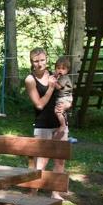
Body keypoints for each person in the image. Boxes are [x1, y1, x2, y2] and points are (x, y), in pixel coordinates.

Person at [23, 48, 66, 195]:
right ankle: (33, 192)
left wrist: (67, 104)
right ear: (31, 62)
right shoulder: (30, 79)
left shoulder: (54, 74)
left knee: (60, 160)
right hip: (43, 124)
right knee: (41, 161)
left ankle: (55, 193)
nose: (40, 64)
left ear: (47, 60)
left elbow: (65, 94)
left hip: (60, 123)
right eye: (36, 61)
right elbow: (39, 105)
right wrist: (50, 88)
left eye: (42, 60)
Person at [51, 57, 74, 140]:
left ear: (67, 70)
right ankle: (62, 125)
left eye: (63, 69)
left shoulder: (64, 78)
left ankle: (62, 125)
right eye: (58, 68)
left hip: (64, 98)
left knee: (58, 111)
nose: (60, 70)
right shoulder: (61, 77)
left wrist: (52, 81)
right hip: (64, 97)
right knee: (60, 111)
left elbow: (58, 87)